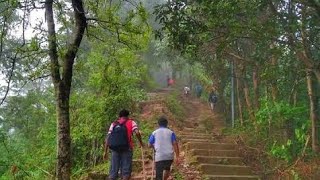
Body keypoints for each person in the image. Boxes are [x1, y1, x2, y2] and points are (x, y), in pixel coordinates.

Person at [103, 109, 144, 180]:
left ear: (119, 116)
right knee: (126, 172)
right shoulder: (131, 122)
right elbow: (137, 133)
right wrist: (141, 143)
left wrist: (105, 151)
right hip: (127, 148)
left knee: (113, 171)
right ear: (128, 116)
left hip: (115, 149)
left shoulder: (114, 124)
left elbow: (108, 138)